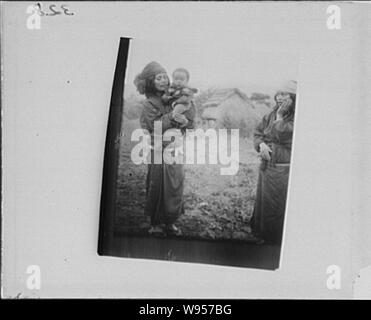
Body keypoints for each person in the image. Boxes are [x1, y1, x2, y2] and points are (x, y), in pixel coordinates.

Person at [134, 61, 193, 235]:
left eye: (164, 77)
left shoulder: (177, 97)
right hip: (158, 149)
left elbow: (190, 123)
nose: (162, 81)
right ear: (151, 82)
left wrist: (186, 122)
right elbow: (155, 126)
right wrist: (174, 117)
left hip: (175, 148)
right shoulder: (149, 104)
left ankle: (170, 222)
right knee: (157, 184)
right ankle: (155, 222)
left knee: (175, 184)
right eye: (158, 78)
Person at [250, 80, 297, 245]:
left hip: (283, 167)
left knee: (277, 203)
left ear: (293, 97)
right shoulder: (270, 115)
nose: (279, 98)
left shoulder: (297, 117)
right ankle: (262, 232)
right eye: (278, 94)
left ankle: (272, 239)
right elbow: (257, 133)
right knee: (265, 201)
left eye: (284, 94)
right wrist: (261, 144)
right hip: (267, 166)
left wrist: (278, 118)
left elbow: (281, 134)